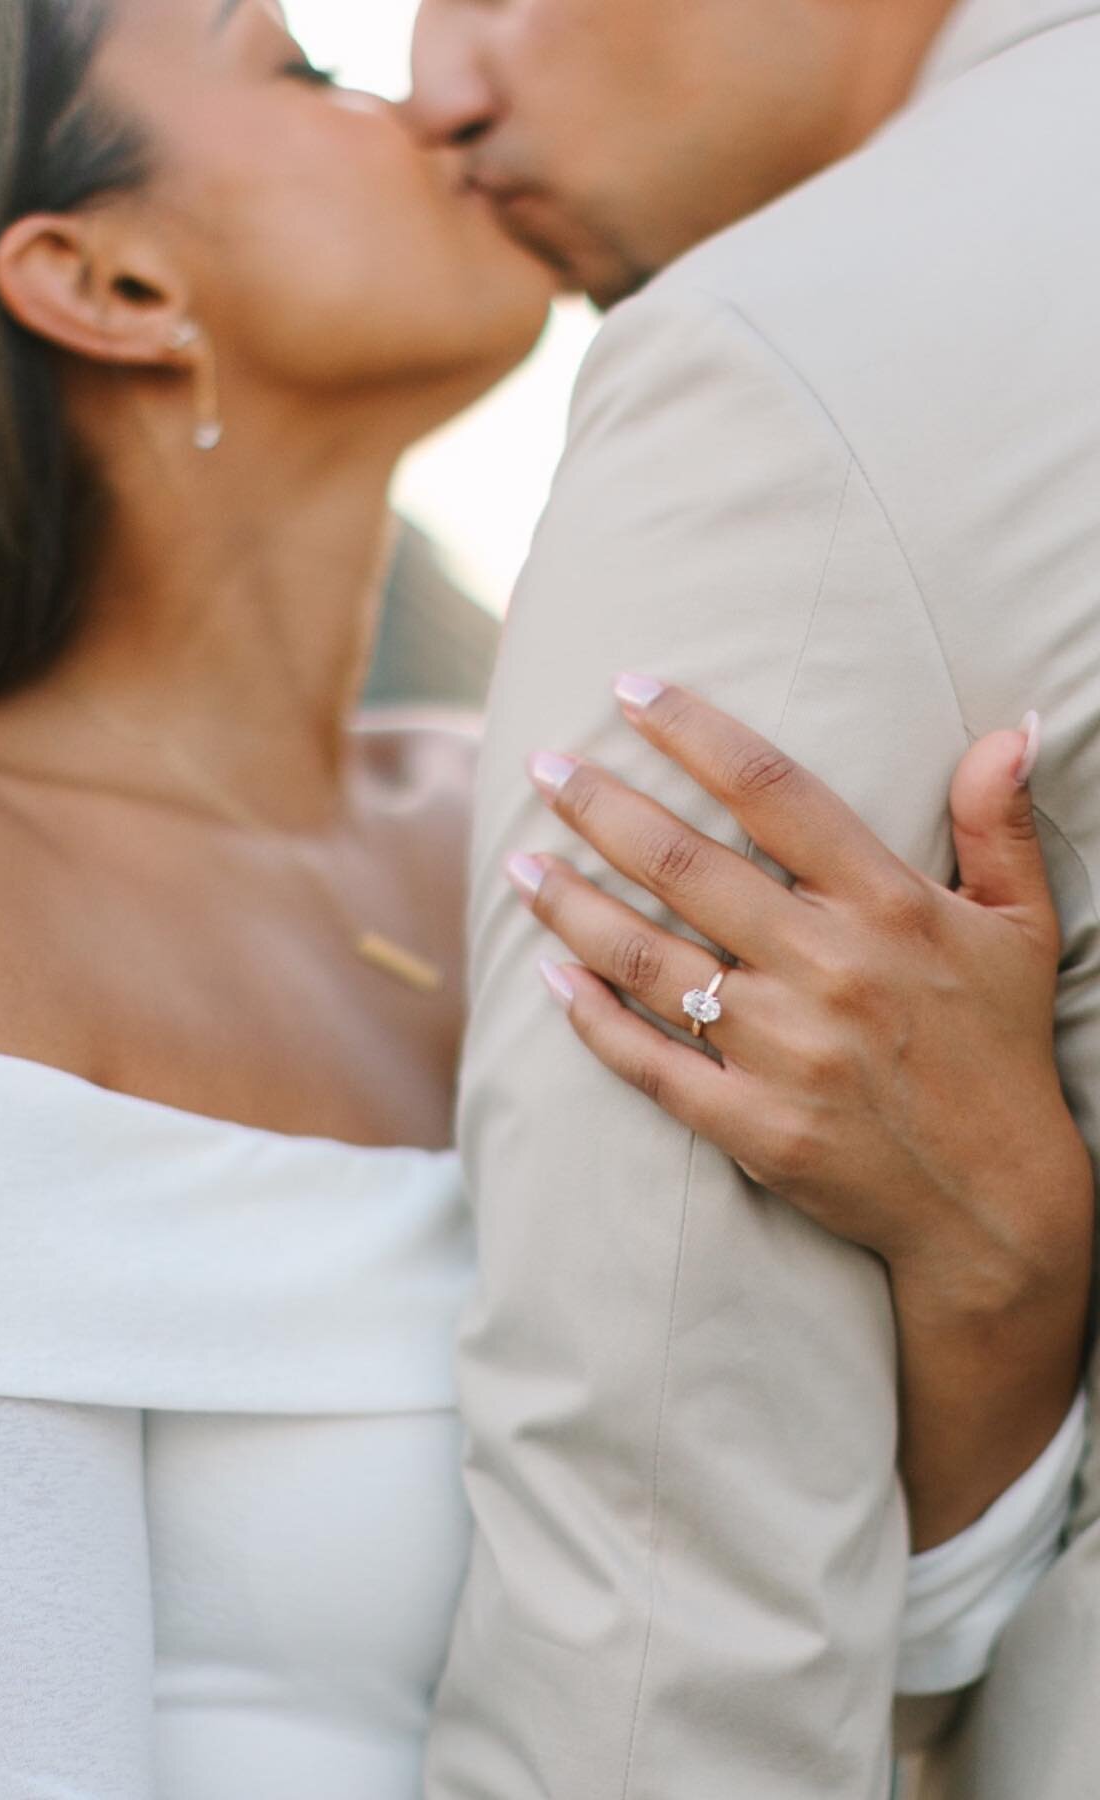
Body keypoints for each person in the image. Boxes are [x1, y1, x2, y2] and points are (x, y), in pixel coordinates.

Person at [0, 4, 1084, 1800]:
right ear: (103, 280)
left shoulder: (542, 810)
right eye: (307, 71)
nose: (439, 101)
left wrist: (999, 1256)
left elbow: (879, 1684)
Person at [405, 0, 1100, 1795]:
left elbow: (658, 1640)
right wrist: (997, 1278)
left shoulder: (786, 366)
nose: (439, 90)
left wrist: (1009, 1274)